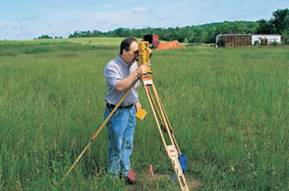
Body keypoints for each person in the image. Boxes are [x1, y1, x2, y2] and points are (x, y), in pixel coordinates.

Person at [103, 37, 150, 184]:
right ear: (124, 51)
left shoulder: (134, 65)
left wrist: (136, 101)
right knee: (116, 144)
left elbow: (132, 88)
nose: (137, 55)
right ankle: (112, 175)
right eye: (135, 52)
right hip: (117, 112)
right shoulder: (112, 66)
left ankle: (125, 171)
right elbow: (120, 86)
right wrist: (137, 73)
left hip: (130, 110)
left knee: (128, 143)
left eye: (139, 52)